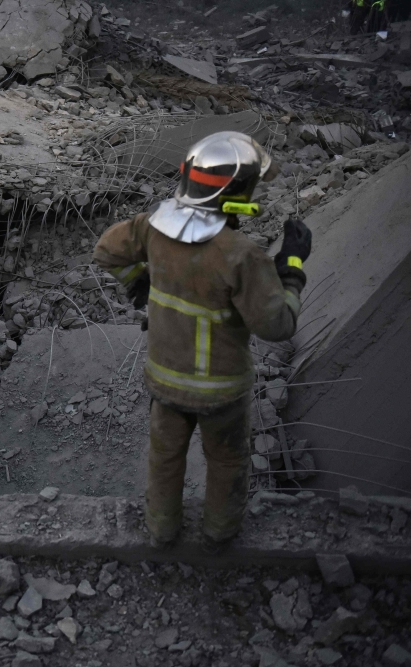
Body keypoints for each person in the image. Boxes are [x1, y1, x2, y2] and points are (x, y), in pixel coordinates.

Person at [93, 131, 312, 553]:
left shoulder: (150, 228)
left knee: (165, 458)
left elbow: (106, 250)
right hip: (221, 392)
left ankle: (161, 531)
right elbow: (277, 325)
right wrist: (291, 268)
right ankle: (219, 535)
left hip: (165, 382)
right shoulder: (243, 255)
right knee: (227, 462)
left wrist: (137, 280)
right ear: (238, 194)